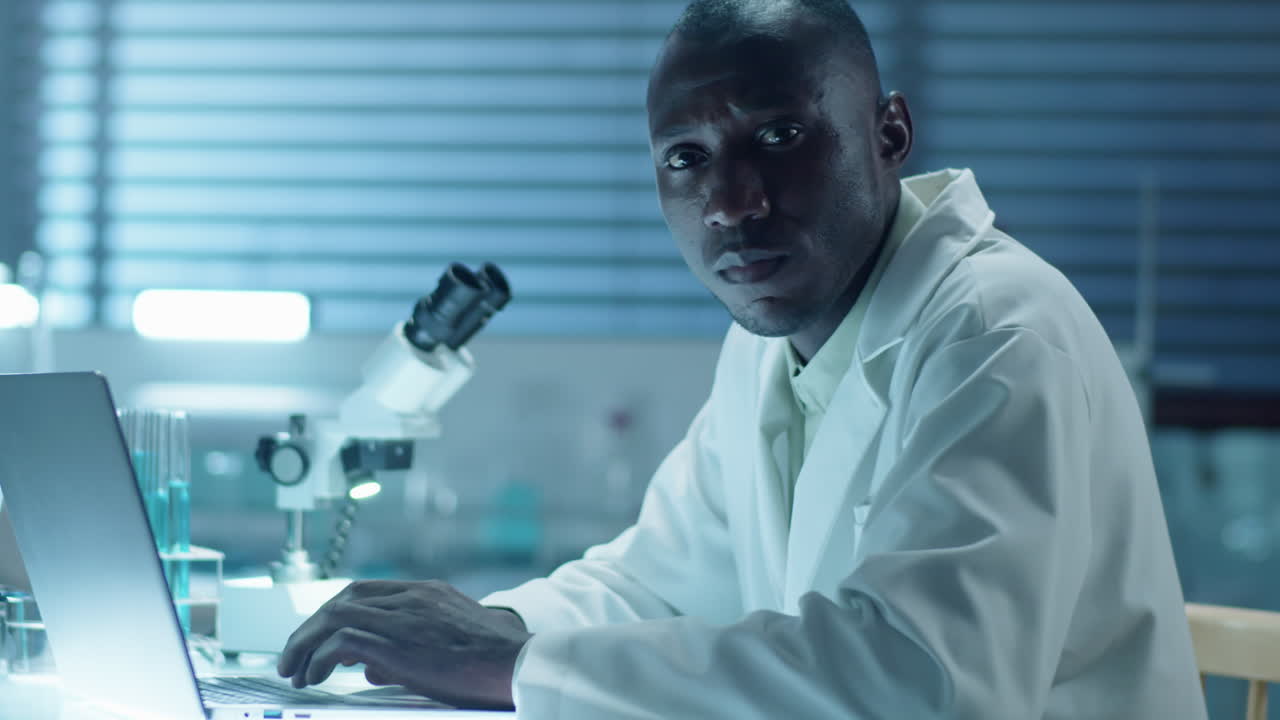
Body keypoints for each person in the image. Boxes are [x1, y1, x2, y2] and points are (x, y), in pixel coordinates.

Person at [277, 1, 1207, 717]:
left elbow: (922, 683)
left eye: (778, 136)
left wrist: (510, 665)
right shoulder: (777, 343)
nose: (730, 201)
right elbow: (654, 580)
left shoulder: (998, 334)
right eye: (686, 156)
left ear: (890, 135)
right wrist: (482, 628)